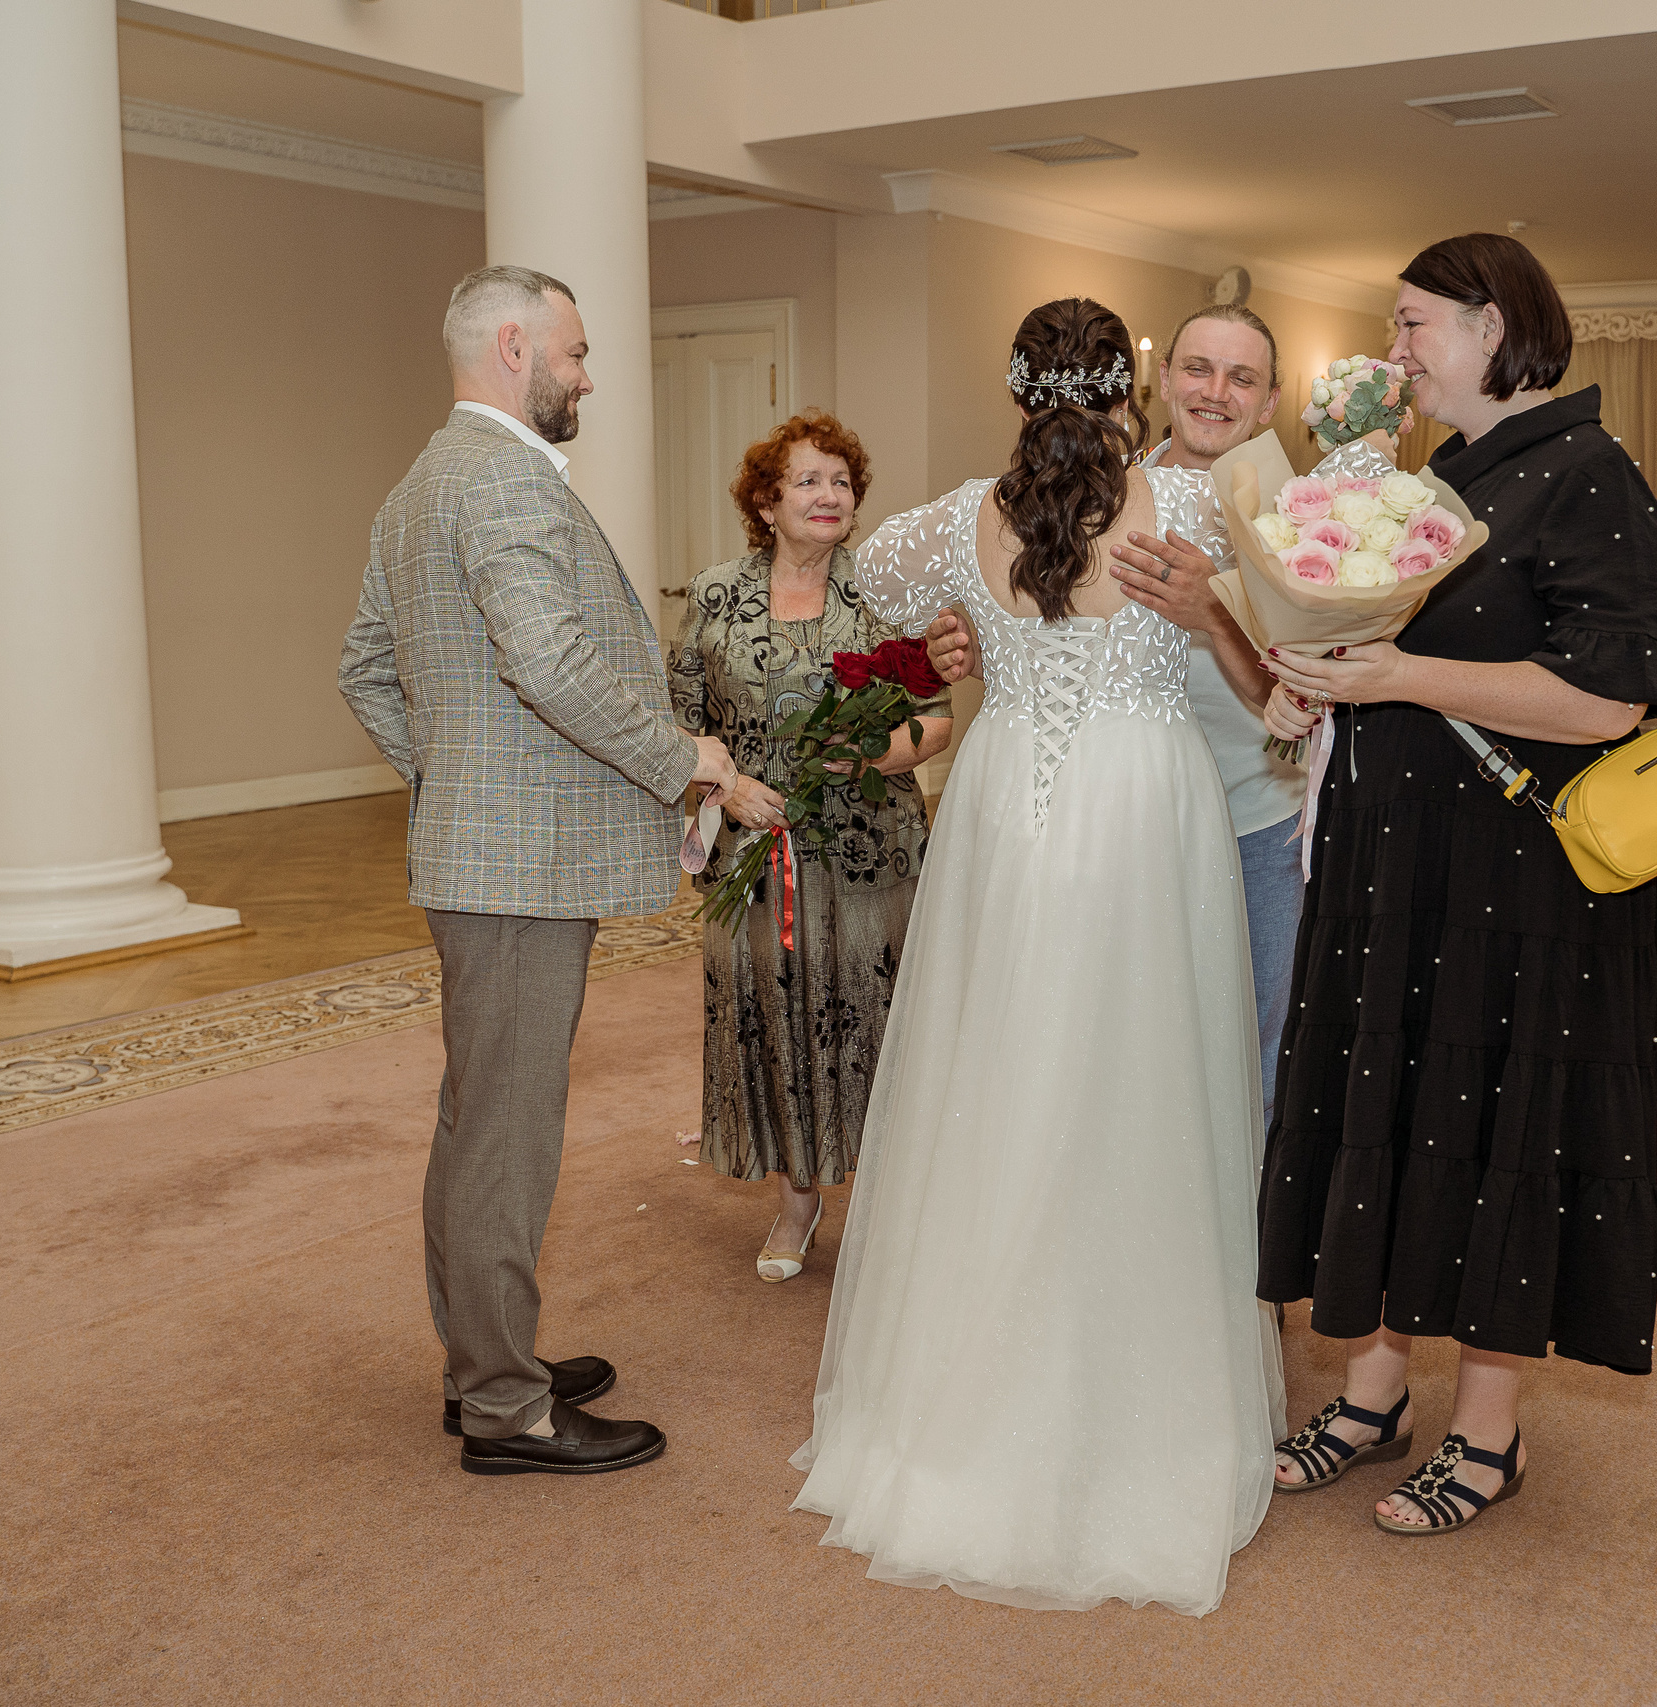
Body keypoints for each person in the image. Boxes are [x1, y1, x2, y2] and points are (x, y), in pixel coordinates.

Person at [791, 298, 1285, 1618]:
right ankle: (1139, 1395)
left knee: (995, 1075)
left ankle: (965, 1400)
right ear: (1132, 383)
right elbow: (1279, 679)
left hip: (1008, 799)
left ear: (1014, 384)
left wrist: (952, 641)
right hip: (1141, 805)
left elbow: (860, 591)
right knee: (1145, 1079)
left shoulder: (955, 517)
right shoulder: (1189, 515)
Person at [1254, 233, 1657, 1532]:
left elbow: (1607, 699)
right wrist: (1319, 669)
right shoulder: (1443, 476)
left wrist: (1400, 678)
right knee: (1404, 1101)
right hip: (1403, 863)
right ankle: (1377, 1389)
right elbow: (1390, 640)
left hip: (1525, 883)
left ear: (1493, 327)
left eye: (1412, 325)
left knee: (1498, 1120)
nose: (1396, 354)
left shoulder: (1591, 474)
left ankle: (1488, 1434)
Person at [339, 264, 737, 1477]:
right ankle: (506, 1409)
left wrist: (456, 782)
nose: (587, 374)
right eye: (574, 351)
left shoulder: (422, 483)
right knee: (507, 1135)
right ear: (514, 348)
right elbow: (549, 663)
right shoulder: (503, 477)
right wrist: (685, 761)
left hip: (488, 856)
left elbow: (365, 669)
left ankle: (485, 1359)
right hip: (513, 874)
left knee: (479, 1123)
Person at [923, 305, 1310, 1126]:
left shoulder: (1283, 515)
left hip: (1253, 814)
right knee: (1110, 1053)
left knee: (1254, 1054)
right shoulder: (1082, 482)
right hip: (1106, 824)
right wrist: (961, 635)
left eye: (1242, 378)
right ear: (1159, 380)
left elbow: (1295, 696)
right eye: (1198, 369)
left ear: (1270, 400)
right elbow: (1033, 628)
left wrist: (1213, 611)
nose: (1215, 392)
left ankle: (1250, 1243)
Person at [667, 412, 952, 1283]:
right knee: (774, 1016)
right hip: (756, 858)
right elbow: (679, 726)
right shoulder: (715, 593)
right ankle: (797, 1203)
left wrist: (873, 753)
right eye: (808, 480)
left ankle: (888, 1203)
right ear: (766, 499)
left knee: (876, 1020)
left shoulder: (888, 594)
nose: (830, 495)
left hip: (871, 854)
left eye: (842, 480)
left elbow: (937, 719)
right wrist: (722, 787)